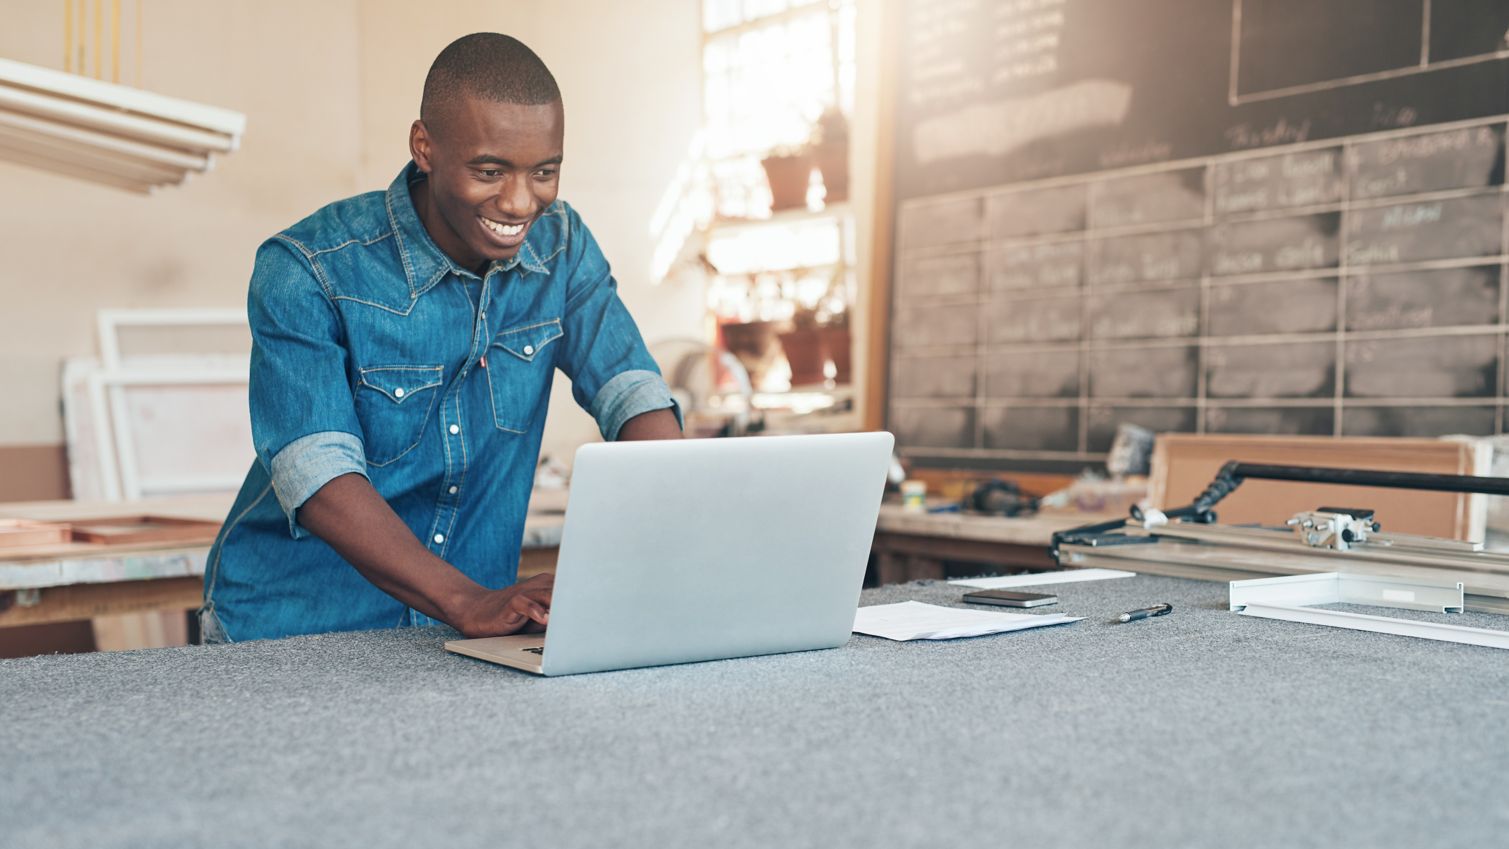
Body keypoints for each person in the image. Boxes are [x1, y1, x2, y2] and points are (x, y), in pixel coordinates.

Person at [199, 33, 682, 643]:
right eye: (489, 170)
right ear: (424, 147)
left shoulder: (560, 247)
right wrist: (467, 600)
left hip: (467, 637)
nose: (518, 202)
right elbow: (315, 474)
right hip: (295, 628)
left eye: (544, 172)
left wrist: (663, 533)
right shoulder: (308, 267)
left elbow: (632, 394)